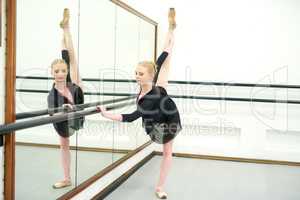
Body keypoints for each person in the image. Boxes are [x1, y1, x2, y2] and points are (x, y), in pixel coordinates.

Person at [98, 8, 180, 199]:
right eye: (135, 73)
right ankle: (171, 29)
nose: (136, 76)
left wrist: (106, 114)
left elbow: (130, 117)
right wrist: (169, 34)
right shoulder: (151, 79)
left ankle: (160, 187)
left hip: (168, 119)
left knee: (167, 152)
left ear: (150, 75)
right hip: (159, 107)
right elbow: (162, 56)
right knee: (165, 56)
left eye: (140, 74)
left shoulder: (150, 97)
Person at [47, 8, 84, 189]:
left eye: (63, 71)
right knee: (64, 145)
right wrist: (64, 110)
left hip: (77, 99)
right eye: (57, 72)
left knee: (71, 58)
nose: (60, 74)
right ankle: (67, 178)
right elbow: (51, 113)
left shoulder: (71, 81)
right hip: (64, 122)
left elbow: (67, 60)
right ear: (51, 73)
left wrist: (64, 38)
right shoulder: (52, 94)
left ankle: (66, 31)